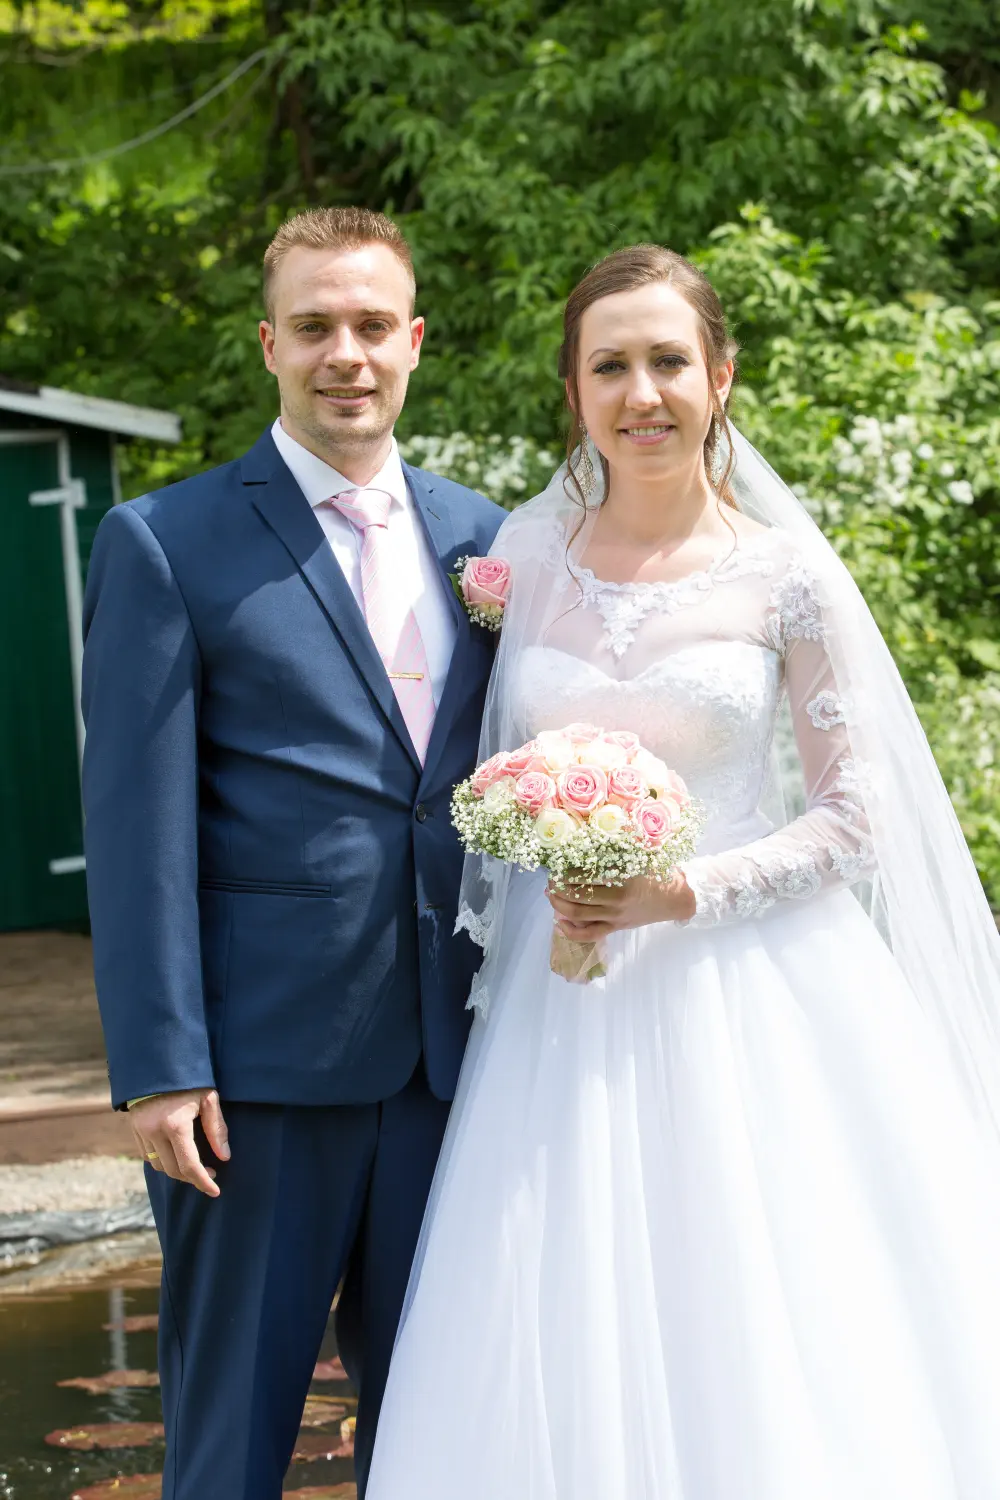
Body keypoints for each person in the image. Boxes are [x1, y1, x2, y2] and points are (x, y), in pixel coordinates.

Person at [365, 244, 1000, 1499]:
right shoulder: (518, 561)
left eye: (668, 360)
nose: (640, 391)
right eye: (609, 365)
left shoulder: (786, 575)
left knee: (760, 1292)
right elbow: (470, 768)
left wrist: (682, 892)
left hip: (754, 990)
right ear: (573, 391)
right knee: (558, 1291)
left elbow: (855, 816)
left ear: (720, 377)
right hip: (559, 1001)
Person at [81, 206, 505, 1500]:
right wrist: (161, 1067)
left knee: (439, 1437)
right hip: (254, 1079)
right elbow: (134, 828)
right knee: (230, 1442)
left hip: (459, 1064)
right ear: (270, 344)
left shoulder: (489, 539)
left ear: (415, 341)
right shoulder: (167, 539)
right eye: (314, 326)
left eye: (372, 325)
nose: (346, 355)